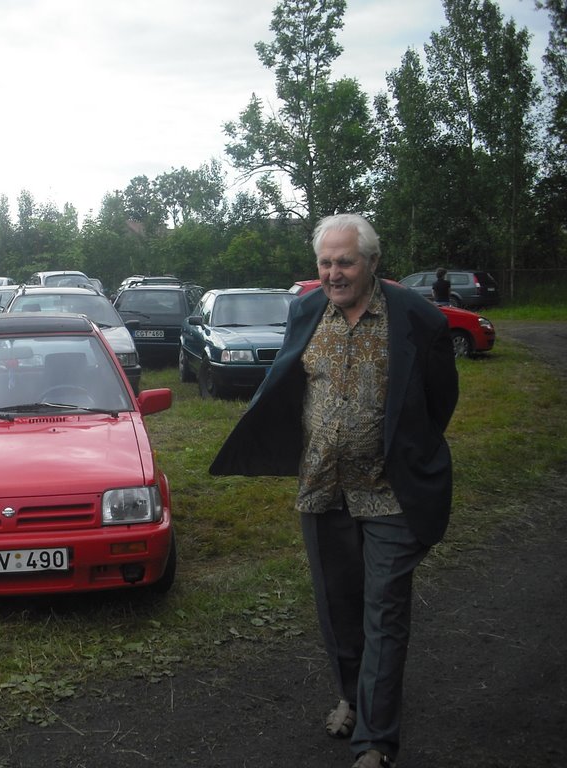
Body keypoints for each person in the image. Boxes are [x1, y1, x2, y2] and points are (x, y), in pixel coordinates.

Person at [209, 213, 459, 768]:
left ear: (371, 263)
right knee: (337, 607)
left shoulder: (415, 317)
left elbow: (440, 399)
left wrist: (407, 451)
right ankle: (351, 694)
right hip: (323, 487)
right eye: (325, 262)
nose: (334, 272)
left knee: (384, 612)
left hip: (388, 491)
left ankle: (375, 740)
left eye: (345, 261)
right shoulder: (305, 310)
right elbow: (287, 382)